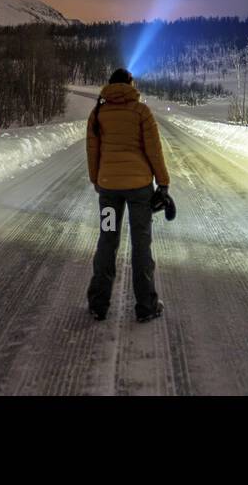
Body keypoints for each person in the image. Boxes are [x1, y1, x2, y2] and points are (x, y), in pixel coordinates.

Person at [85, 68, 169, 323]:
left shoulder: (98, 112)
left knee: (107, 241)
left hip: (109, 189)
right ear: (131, 85)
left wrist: (97, 180)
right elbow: (154, 149)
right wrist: (162, 182)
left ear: (109, 85)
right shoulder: (141, 111)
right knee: (141, 243)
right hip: (139, 190)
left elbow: (92, 150)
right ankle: (146, 305)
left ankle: (99, 304)